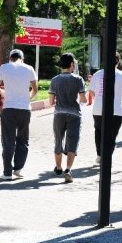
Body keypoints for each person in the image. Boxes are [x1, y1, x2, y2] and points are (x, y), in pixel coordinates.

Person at [0, 49, 38, 181]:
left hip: (9, 108)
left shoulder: (4, 67)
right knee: (23, 139)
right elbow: (35, 89)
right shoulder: (29, 68)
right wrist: (28, 97)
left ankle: (7, 173)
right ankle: (18, 169)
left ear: (10, 58)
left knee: (8, 140)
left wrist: (3, 93)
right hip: (25, 109)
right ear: (22, 58)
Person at [88, 52, 122, 164]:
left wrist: (98, 98)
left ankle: (99, 155)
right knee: (112, 135)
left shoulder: (97, 74)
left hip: (98, 110)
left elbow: (91, 91)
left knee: (99, 132)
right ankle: (107, 157)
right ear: (118, 62)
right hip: (115, 111)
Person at [48, 53, 87, 183]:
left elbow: (51, 101)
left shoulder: (54, 80)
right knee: (72, 141)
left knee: (58, 139)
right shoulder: (78, 79)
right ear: (71, 64)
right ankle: (68, 170)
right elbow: (83, 99)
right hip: (74, 114)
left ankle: (59, 167)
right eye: (74, 63)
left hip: (59, 113)